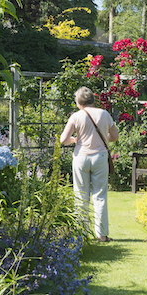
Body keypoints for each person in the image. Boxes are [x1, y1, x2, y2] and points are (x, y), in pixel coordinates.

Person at [59, 86, 119, 242]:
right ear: (92, 100)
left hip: (81, 158)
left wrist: (73, 140)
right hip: (99, 157)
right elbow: (115, 136)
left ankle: (82, 234)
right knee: (100, 196)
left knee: (81, 196)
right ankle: (102, 235)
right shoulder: (104, 114)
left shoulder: (76, 116)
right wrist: (103, 138)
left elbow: (63, 140)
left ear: (79, 102)